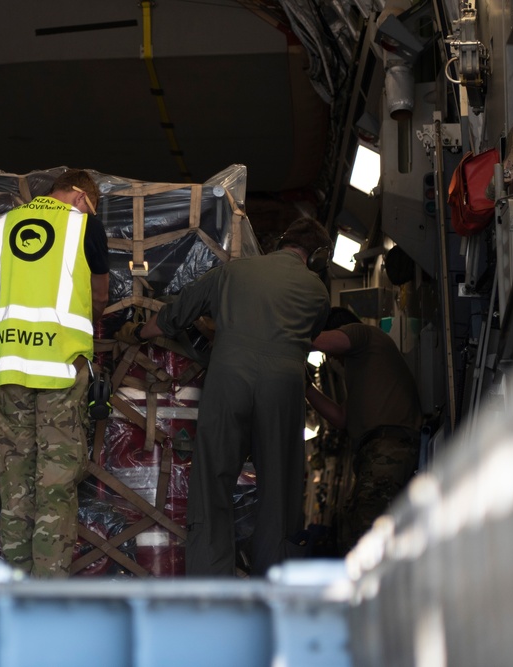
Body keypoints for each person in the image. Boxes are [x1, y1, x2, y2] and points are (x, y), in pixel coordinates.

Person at [119, 217, 332, 577]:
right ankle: (273, 581)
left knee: (213, 479)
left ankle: (209, 580)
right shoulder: (318, 291)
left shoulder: (232, 271)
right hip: (284, 388)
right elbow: (308, 337)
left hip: (229, 379)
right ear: (316, 257)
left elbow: (177, 314)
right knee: (279, 488)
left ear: (280, 242)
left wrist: (138, 332)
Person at [0, 169, 109, 577]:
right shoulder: (85, 225)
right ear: (81, 197)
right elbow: (100, 296)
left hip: (11, 370)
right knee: (55, 485)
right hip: (62, 371)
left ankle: (16, 584)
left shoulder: (1, 226)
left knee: (15, 482)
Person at [305, 307, 423, 552]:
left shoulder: (363, 334)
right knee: (353, 529)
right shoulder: (361, 371)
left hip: (388, 447)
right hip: (376, 452)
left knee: (365, 532)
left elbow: (331, 341)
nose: (334, 359)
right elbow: (341, 418)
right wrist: (305, 385)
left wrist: (286, 337)